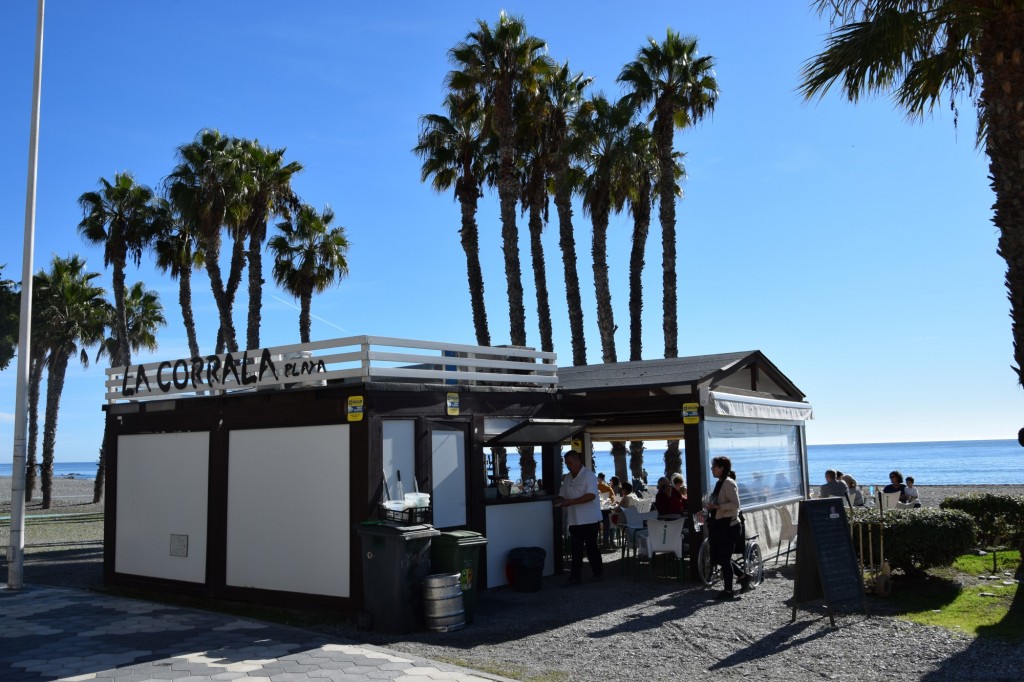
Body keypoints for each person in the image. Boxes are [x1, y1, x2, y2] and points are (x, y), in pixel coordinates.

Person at [555, 450, 604, 585]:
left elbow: (591, 495)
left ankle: (598, 572)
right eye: (566, 463)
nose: (568, 466)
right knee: (575, 549)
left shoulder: (589, 475)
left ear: (578, 461)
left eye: (570, 463)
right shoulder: (567, 478)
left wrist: (570, 502)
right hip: (574, 519)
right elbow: (562, 495)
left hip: (590, 519)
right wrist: (555, 500)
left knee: (591, 548)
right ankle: (575, 576)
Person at [705, 456, 741, 600]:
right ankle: (743, 576)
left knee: (724, 559)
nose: (712, 469)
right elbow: (717, 502)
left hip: (730, 526)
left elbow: (735, 504)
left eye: (714, 466)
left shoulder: (728, 483)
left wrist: (719, 506)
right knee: (721, 557)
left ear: (721, 468)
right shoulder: (720, 483)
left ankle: (728, 591)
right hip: (721, 525)